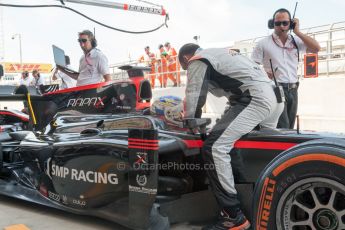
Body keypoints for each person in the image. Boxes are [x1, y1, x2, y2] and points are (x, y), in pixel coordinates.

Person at [178, 43, 284, 230]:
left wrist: (188, 120)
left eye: (185, 69)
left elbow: (194, 94)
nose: (188, 72)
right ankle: (254, 206)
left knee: (214, 147)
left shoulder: (197, 60)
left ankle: (232, 215)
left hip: (255, 98)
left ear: (186, 59)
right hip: (275, 98)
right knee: (246, 148)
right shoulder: (222, 53)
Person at [251, 8, 320, 129]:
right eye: (277, 23)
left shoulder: (296, 41)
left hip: (293, 89)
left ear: (291, 24)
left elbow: (316, 49)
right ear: (272, 24)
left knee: (289, 128)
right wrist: (263, 72)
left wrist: (298, 32)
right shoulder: (263, 43)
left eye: (285, 23)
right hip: (275, 89)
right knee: (282, 127)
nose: (281, 26)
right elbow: (251, 66)